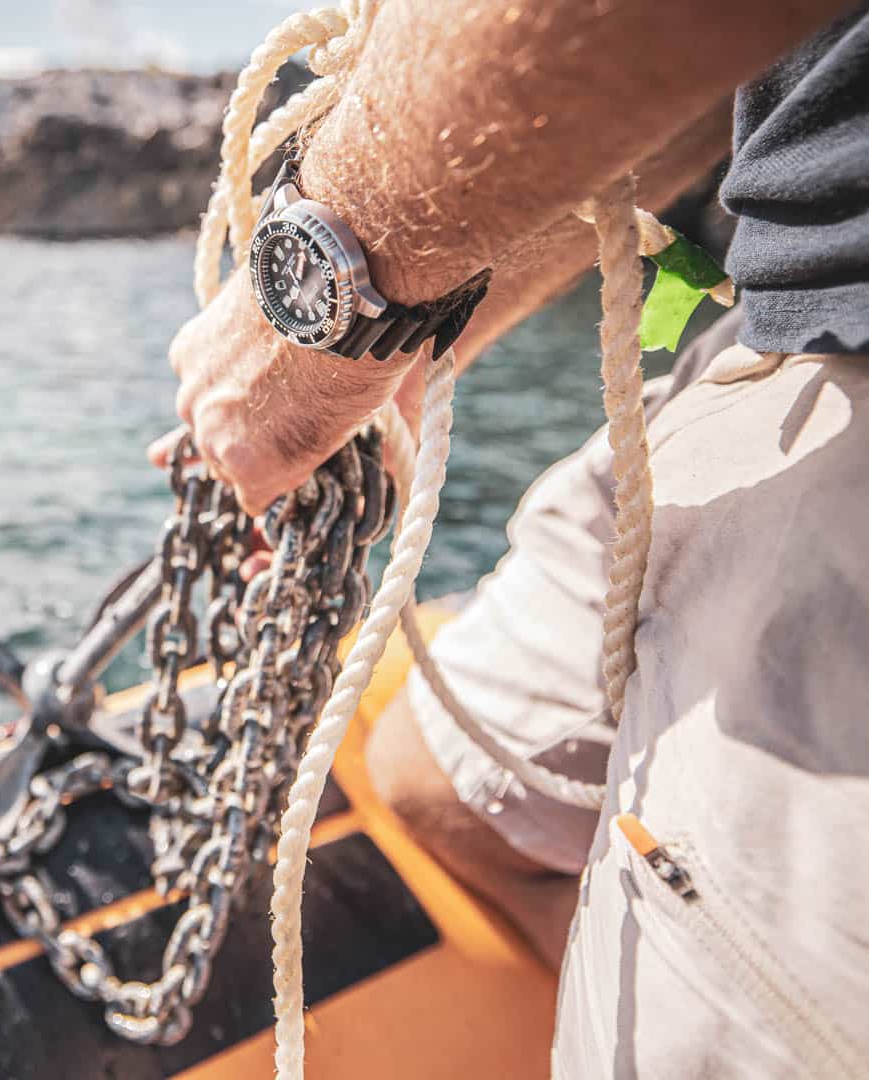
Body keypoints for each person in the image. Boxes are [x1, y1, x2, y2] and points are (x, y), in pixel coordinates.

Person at [153, 1, 869, 1075]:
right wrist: (395, 353)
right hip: (775, 337)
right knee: (434, 776)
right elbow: (676, 59)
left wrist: (311, 318)